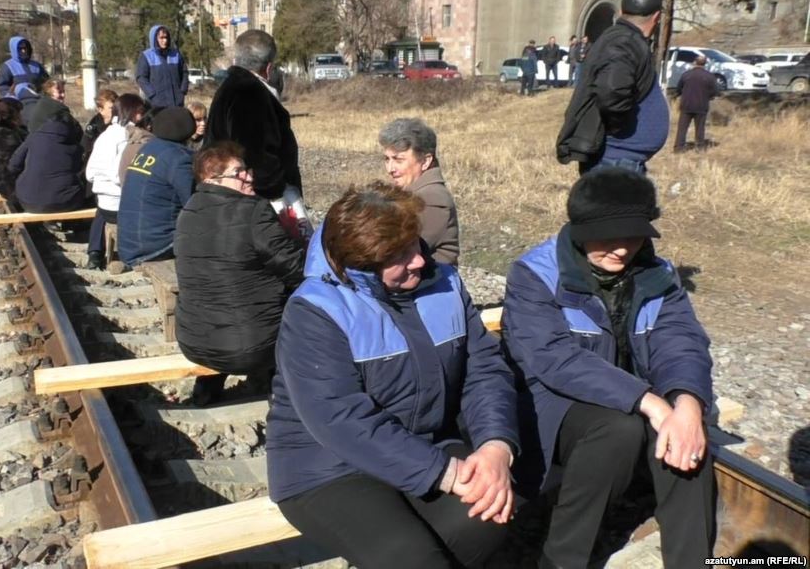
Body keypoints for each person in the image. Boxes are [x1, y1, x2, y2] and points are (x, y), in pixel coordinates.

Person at [266, 183, 519, 569]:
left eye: (415, 244)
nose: (418, 261)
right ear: (360, 264)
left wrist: (495, 447)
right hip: (328, 465)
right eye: (399, 257)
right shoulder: (315, 311)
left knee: (488, 513)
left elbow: (483, 369)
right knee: (409, 556)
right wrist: (445, 473)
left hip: (426, 441)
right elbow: (340, 419)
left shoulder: (445, 284)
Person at [502, 168, 715, 569]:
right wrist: (648, 401)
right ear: (579, 229)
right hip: (556, 404)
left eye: (633, 236)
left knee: (688, 437)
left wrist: (686, 402)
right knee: (619, 430)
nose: (622, 249)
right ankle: (563, 560)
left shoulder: (658, 274)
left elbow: (681, 340)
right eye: (609, 236)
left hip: (636, 397)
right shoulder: (534, 275)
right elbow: (554, 360)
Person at [175, 142, 305, 405]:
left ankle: (207, 391)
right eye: (239, 173)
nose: (248, 176)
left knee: (227, 293)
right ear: (213, 178)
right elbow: (295, 269)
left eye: (246, 169)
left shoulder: (187, 211)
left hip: (192, 342)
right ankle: (284, 397)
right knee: (305, 302)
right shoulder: (252, 210)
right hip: (250, 348)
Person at [205, 30, 308, 239]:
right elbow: (257, 154)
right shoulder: (251, 93)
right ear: (268, 68)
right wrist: (277, 189)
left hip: (225, 192)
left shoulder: (228, 87)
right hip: (255, 201)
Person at [557, 0, 667, 175]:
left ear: (622, 11)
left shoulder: (623, 39)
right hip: (614, 161)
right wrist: (618, 127)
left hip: (618, 161)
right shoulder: (624, 42)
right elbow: (612, 92)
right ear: (656, 17)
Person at [117, 107, 196, 269]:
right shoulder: (179, 159)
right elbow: (194, 204)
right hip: (155, 247)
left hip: (129, 243)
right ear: (189, 130)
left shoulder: (147, 149)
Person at [378, 118, 459, 266]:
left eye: (398, 160)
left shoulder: (431, 199)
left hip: (431, 285)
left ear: (425, 161)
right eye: (387, 159)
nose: (390, 169)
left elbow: (394, 252)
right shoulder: (410, 192)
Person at [84, 93, 149, 269]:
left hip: (104, 205)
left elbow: (89, 174)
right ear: (135, 113)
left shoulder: (105, 135)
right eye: (141, 112)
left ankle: (95, 253)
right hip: (119, 206)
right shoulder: (127, 137)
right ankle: (135, 256)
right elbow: (118, 175)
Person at [7, 96, 86, 213]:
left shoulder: (33, 137)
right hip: (65, 202)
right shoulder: (74, 143)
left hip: (28, 201)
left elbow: (13, 165)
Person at [135, 25, 189, 108]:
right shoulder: (146, 56)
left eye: (166, 37)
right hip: (156, 104)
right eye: (161, 38)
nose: (165, 40)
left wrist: (182, 91)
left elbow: (184, 73)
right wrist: (152, 94)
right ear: (154, 38)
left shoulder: (176, 54)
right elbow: (141, 78)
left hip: (177, 102)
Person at [673, 56, 718, 152]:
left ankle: (678, 147)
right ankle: (700, 147)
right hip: (701, 105)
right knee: (700, 127)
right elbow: (715, 92)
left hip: (686, 105)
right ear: (705, 64)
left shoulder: (686, 75)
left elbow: (678, 89)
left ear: (694, 62)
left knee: (682, 128)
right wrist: (708, 97)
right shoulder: (710, 76)